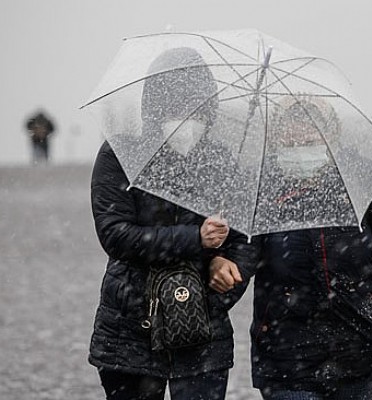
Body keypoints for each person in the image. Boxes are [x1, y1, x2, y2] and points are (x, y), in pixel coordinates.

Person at [211, 98, 372, 399]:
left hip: (355, 346)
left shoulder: (363, 178)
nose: (300, 141)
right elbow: (245, 250)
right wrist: (221, 270)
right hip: (284, 347)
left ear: (331, 134)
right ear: (276, 136)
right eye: (291, 135)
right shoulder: (261, 183)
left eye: (311, 136)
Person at [89, 47, 256, 400]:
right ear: (154, 104)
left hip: (203, 331)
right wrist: (194, 239)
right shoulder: (121, 155)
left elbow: (245, 237)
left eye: (194, 105)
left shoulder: (223, 160)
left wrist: (226, 273)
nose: (184, 117)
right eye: (174, 104)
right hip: (130, 328)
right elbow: (115, 235)